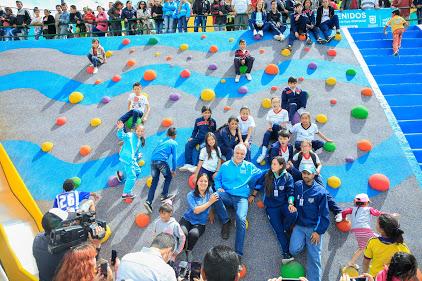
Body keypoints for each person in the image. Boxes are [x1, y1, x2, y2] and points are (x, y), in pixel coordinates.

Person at [212, 143, 264, 261]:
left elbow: (263, 174)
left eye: (242, 154)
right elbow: (217, 179)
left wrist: (255, 192)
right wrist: (218, 187)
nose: (239, 155)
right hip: (227, 195)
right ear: (233, 153)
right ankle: (226, 221)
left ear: (245, 155)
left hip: (241, 199)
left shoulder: (249, 166)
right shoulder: (225, 166)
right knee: (215, 195)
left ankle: (238, 254)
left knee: (241, 219)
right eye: (237, 153)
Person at [250, 156, 297, 263]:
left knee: (294, 213)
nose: (272, 166)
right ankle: (286, 253)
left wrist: (290, 203)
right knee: (278, 231)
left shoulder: (287, 176)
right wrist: (253, 195)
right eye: (271, 164)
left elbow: (291, 192)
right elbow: (258, 183)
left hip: (284, 204)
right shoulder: (267, 174)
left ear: (281, 166)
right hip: (271, 207)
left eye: (275, 164)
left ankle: (286, 228)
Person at [289, 165, 330, 281]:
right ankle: (307, 243)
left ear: (314, 175)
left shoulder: (320, 192)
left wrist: (318, 232)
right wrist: (291, 203)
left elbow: (325, 215)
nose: (305, 175)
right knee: (293, 250)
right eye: (304, 173)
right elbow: (291, 195)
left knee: (315, 258)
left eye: (308, 173)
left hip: (314, 229)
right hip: (299, 226)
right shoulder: (298, 185)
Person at [180, 173, 220, 261]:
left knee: (193, 234)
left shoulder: (210, 191)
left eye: (205, 181)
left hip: (200, 223)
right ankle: (181, 249)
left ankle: (188, 250)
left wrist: (211, 213)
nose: (203, 183)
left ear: (208, 183)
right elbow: (196, 210)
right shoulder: (190, 195)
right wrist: (210, 202)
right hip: (187, 219)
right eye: (201, 181)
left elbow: (214, 201)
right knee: (183, 233)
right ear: (197, 182)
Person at [341, 193, 384, 268]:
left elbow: (343, 212)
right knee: (382, 240)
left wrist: (344, 219)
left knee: (361, 248)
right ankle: (379, 261)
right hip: (366, 231)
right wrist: (390, 215)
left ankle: (351, 263)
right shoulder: (369, 209)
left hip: (357, 232)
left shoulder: (352, 209)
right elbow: (378, 213)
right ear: (367, 202)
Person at [33, 209, 76, 281]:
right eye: (67, 224)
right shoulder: (69, 253)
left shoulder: (37, 240)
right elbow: (86, 270)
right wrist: (95, 245)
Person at [145, 127, 178, 213]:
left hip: (153, 162)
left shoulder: (161, 141)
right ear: (175, 136)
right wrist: (173, 170)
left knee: (154, 181)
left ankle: (148, 201)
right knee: (168, 177)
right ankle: (164, 195)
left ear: (167, 134)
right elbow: (174, 158)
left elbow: (154, 152)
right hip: (161, 162)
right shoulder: (173, 143)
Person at [180, 106, 217, 172]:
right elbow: (195, 130)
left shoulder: (213, 121)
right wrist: (192, 137)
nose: (207, 114)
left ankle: (197, 166)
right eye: (205, 112)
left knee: (201, 147)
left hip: (207, 139)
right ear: (202, 113)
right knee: (188, 145)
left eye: (209, 112)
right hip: (199, 137)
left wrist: (212, 140)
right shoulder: (198, 120)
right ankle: (188, 163)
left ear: (211, 113)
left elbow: (214, 132)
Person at [115, 121, 146, 200]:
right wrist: (120, 129)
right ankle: (126, 193)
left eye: (141, 131)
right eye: (138, 131)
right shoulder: (130, 135)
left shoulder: (139, 140)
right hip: (127, 159)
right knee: (132, 176)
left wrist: (137, 155)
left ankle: (122, 175)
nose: (140, 132)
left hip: (131, 159)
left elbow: (135, 150)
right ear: (135, 130)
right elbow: (121, 136)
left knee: (138, 171)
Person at [256, 97, 289, 163]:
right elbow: (269, 122)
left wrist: (275, 126)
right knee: (267, 134)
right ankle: (263, 154)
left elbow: (284, 124)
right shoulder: (270, 112)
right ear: (271, 104)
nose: (275, 104)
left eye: (277, 102)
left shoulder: (284, 112)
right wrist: (269, 127)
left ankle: (276, 152)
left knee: (276, 126)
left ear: (279, 103)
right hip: (273, 130)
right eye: (273, 102)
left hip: (280, 131)